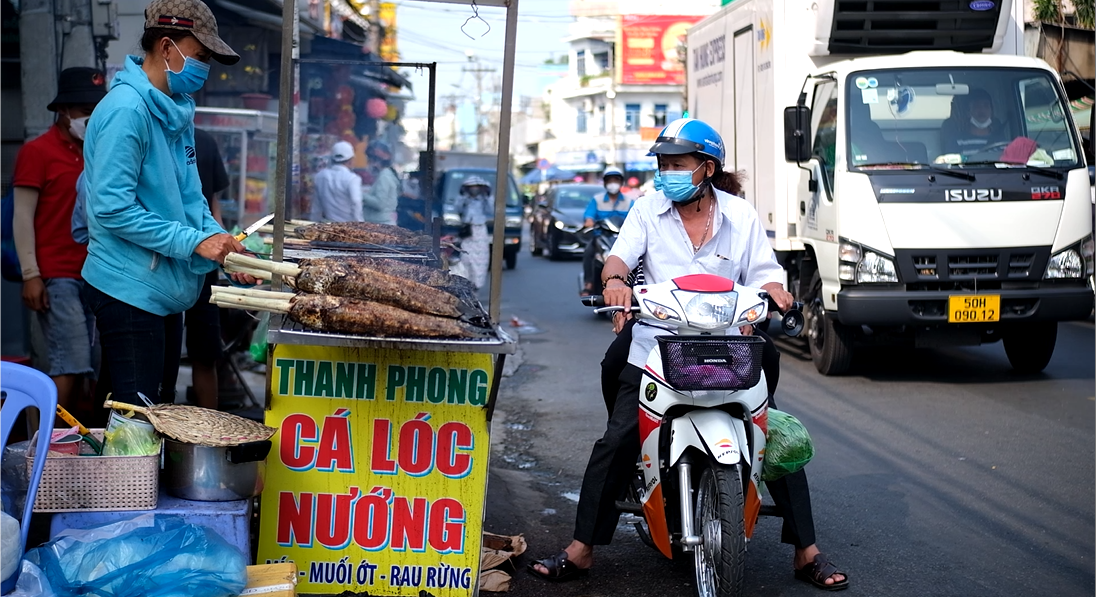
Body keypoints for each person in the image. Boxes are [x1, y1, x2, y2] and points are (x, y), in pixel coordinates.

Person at [530, 118, 848, 591]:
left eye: (677, 164)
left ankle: (807, 552)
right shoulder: (646, 210)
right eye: (663, 165)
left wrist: (776, 293)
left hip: (729, 348)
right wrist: (615, 282)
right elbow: (618, 258)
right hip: (657, 343)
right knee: (616, 440)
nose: (667, 173)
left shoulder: (740, 216)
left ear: (706, 169)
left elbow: (766, 273)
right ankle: (582, 550)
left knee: (774, 437)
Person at [81, 0, 254, 407]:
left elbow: (191, 198)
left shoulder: (176, 112)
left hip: (162, 288)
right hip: (127, 288)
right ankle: (128, 475)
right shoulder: (127, 112)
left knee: (154, 411)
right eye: (199, 56)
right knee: (136, 420)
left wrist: (221, 243)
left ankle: (137, 473)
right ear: (165, 47)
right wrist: (193, 243)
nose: (203, 68)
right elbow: (111, 209)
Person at [12, 67, 107, 414]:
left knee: (95, 365)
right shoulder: (36, 152)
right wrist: (30, 274)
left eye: (98, 110)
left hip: (97, 273)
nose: (91, 118)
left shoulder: (100, 151)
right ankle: (46, 451)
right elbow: (22, 216)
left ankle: (79, 449)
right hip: (57, 275)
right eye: (84, 110)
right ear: (63, 111)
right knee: (70, 361)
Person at [182, 127, 231, 409]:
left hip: (204, 265)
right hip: (164, 262)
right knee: (162, 355)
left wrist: (226, 247)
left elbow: (211, 204)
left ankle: (207, 429)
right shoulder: (151, 135)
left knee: (206, 353)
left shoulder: (204, 142)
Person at [581, 167, 632, 296]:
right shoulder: (597, 200)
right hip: (601, 237)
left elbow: (636, 217)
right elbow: (589, 216)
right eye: (610, 180)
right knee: (588, 252)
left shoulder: (629, 201)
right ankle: (589, 283)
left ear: (621, 182)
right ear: (605, 183)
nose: (613, 183)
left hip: (622, 239)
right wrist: (589, 222)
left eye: (616, 180)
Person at [449, 176, 492, 290]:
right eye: (472, 187)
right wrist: (463, 197)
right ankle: (466, 281)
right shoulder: (464, 199)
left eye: (477, 187)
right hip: (467, 230)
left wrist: (487, 195)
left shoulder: (484, 200)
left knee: (480, 259)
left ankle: (477, 284)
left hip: (480, 230)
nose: (474, 189)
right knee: (466, 257)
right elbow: (457, 208)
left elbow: (490, 210)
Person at [941, 88, 1009, 155]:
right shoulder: (957, 142)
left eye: (986, 106)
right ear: (968, 112)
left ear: (991, 111)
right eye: (977, 106)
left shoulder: (1001, 142)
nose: (982, 110)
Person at [310, 141, 363, 223]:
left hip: (328, 226)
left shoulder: (320, 176)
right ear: (351, 160)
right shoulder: (352, 179)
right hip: (348, 227)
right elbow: (356, 203)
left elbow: (316, 207)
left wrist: (312, 223)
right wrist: (359, 223)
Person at [362, 140, 400, 225]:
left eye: (369, 159)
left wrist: (361, 195)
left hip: (381, 225)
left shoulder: (384, 176)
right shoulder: (386, 174)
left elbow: (380, 203)